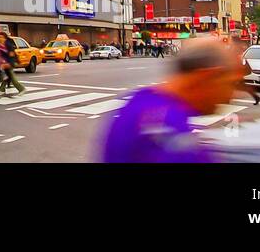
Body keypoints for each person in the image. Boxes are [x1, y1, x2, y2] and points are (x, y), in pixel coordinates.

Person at [100, 37, 243, 163]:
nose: (231, 97)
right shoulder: (172, 134)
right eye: (229, 84)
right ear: (207, 76)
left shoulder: (140, 102)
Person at [0, 31, 25, 98]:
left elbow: (12, 54)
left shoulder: (8, 45)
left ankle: (2, 89)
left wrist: (13, 62)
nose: (0, 39)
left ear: (5, 38)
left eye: (2, 37)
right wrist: (3, 63)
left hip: (6, 64)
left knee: (8, 77)